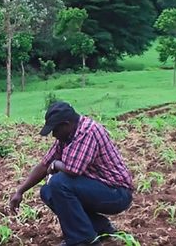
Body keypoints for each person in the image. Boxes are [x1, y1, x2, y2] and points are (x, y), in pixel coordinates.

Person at [8, 101, 133, 246]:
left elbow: (72, 171)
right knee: (48, 191)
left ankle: (83, 241)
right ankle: (98, 227)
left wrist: (56, 164)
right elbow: (45, 164)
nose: (53, 135)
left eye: (55, 130)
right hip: (99, 188)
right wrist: (20, 191)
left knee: (58, 183)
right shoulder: (67, 135)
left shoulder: (87, 132)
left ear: (66, 124)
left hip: (117, 193)